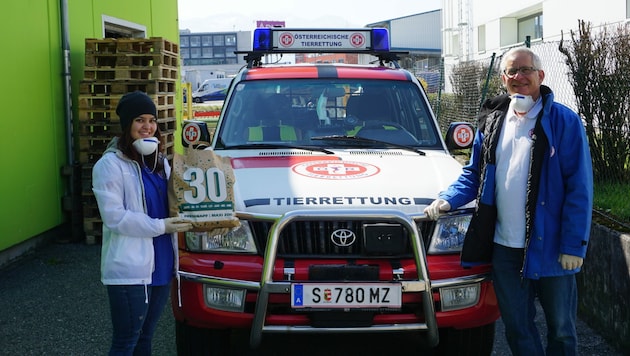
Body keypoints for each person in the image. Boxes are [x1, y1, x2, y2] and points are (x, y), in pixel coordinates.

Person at [424, 47, 593, 355]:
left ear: (540, 75)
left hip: (553, 247)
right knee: (517, 327)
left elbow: (579, 188)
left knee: (562, 330)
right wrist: (448, 199)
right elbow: (474, 174)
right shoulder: (492, 122)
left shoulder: (563, 122)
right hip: (505, 248)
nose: (519, 77)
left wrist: (573, 246)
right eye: (512, 71)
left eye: (525, 70)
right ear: (503, 78)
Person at [92, 90, 192, 355]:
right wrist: (162, 226)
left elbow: (174, 203)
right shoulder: (110, 165)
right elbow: (116, 218)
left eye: (152, 120)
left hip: (160, 265)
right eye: (139, 120)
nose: (147, 126)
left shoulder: (161, 163)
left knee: (145, 338)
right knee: (126, 341)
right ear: (127, 125)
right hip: (130, 270)